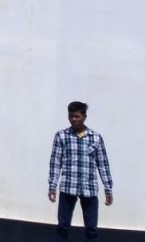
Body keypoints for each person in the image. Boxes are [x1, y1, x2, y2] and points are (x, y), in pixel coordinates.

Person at [49, 101, 114, 240]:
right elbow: (55, 163)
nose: (73, 119)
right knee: (62, 226)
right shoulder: (61, 136)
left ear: (84, 117)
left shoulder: (95, 138)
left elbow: (103, 164)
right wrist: (52, 186)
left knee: (91, 228)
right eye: (71, 116)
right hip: (68, 187)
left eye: (77, 116)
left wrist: (108, 189)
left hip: (89, 188)